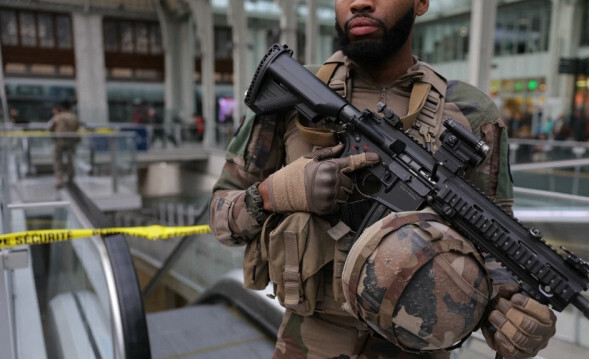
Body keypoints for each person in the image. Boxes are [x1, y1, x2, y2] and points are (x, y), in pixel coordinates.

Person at [210, 1, 556, 358]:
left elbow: (494, 243)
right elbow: (220, 219)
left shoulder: (469, 112)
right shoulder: (293, 90)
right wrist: (274, 193)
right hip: (306, 344)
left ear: (421, 3)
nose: (360, 1)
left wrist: (513, 318)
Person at [48, 100, 80, 188]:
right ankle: (70, 177)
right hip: (71, 141)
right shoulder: (74, 117)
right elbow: (77, 127)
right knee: (70, 160)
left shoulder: (58, 117)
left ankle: (60, 178)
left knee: (58, 160)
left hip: (60, 140)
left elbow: (50, 127)